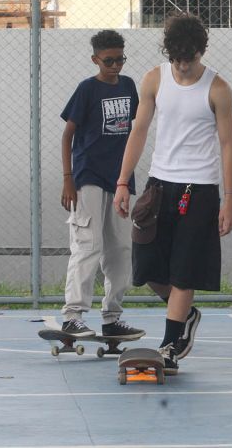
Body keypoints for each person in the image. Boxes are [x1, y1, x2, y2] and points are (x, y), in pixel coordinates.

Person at [114, 12, 232, 375]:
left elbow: (228, 145)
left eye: (190, 58)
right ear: (168, 53)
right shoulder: (154, 79)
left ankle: (169, 345)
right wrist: (123, 181)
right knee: (146, 263)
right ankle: (184, 313)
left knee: (184, 270)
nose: (183, 66)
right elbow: (138, 131)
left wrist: (229, 199)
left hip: (199, 189)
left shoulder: (218, 89)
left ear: (201, 51)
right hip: (159, 184)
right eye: (177, 59)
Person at [59, 30, 145, 341]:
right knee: (88, 245)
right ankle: (73, 315)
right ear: (95, 59)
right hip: (88, 176)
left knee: (120, 248)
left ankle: (112, 317)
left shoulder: (128, 85)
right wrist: (68, 179)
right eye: (108, 60)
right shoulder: (87, 89)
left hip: (120, 178)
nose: (115, 65)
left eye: (120, 58)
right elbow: (68, 135)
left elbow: (135, 130)